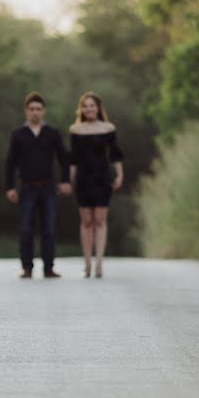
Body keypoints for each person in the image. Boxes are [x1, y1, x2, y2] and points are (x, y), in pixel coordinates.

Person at [4, 91, 71, 279]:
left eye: (38, 109)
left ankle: (48, 267)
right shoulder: (18, 134)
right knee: (26, 229)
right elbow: (10, 162)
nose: (35, 112)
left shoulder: (52, 133)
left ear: (43, 111)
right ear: (26, 111)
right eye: (32, 109)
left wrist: (66, 181)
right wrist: (10, 187)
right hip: (26, 188)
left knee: (49, 229)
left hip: (48, 187)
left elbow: (64, 159)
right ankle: (27, 267)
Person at [68, 91, 124, 278]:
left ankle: (99, 261)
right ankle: (87, 262)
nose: (89, 109)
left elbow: (115, 153)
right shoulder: (75, 130)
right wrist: (71, 179)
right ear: (81, 109)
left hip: (102, 177)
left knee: (100, 220)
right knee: (86, 222)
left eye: (92, 105)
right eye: (85, 106)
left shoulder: (108, 128)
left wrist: (119, 174)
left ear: (98, 108)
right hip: (83, 178)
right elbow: (73, 158)